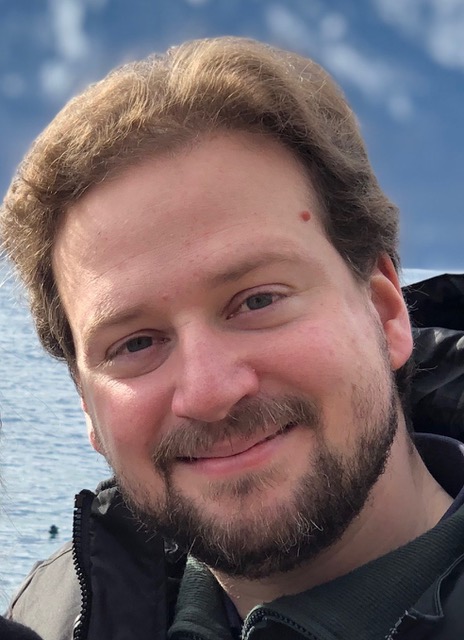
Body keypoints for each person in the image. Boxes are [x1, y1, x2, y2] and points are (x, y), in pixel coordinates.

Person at [1, 36, 464, 640]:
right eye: (135, 343)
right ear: (87, 405)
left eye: (258, 301)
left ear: (385, 312)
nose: (210, 392)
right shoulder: (52, 616)